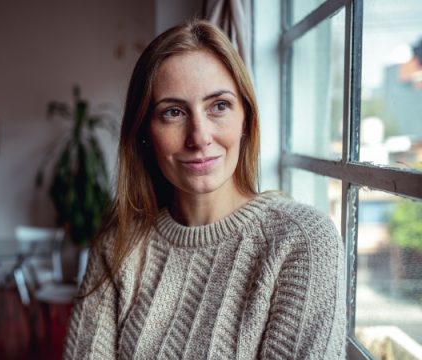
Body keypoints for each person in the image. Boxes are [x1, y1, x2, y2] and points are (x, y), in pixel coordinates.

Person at [63, 19, 346, 360]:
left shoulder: (302, 241)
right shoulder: (119, 241)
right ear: (145, 134)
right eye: (173, 112)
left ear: (246, 119)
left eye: (219, 106)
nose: (199, 137)